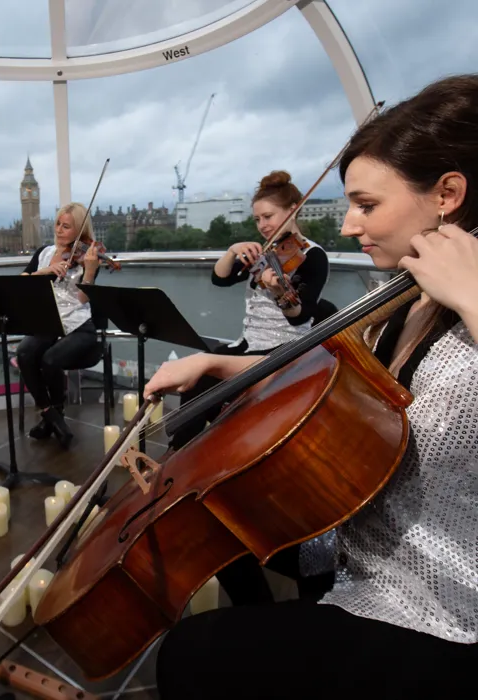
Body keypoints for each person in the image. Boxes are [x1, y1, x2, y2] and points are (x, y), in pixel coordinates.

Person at [146, 74, 478, 698]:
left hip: (438, 607)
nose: (350, 225)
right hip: (358, 539)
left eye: (367, 205)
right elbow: (314, 358)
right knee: (217, 515)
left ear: (447, 194)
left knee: (189, 656)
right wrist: (215, 366)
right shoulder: (402, 293)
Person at [164, 171, 330, 454]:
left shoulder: (312, 256)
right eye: (257, 219)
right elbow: (220, 280)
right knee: (199, 373)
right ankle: (182, 450)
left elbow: (301, 316)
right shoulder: (267, 252)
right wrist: (231, 252)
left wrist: (278, 290)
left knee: (205, 371)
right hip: (249, 344)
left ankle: (188, 450)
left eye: (268, 216)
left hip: (286, 349)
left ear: (293, 210)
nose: (262, 225)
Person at [16, 202, 101, 448]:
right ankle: (50, 415)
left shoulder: (89, 255)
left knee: (50, 360)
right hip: (49, 322)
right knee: (24, 352)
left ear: (79, 231)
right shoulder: (44, 252)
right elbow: (21, 282)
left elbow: (84, 299)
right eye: (57, 224)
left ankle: (56, 415)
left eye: (66, 226)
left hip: (79, 325)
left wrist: (90, 272)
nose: (59, 230)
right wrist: (42, 272)